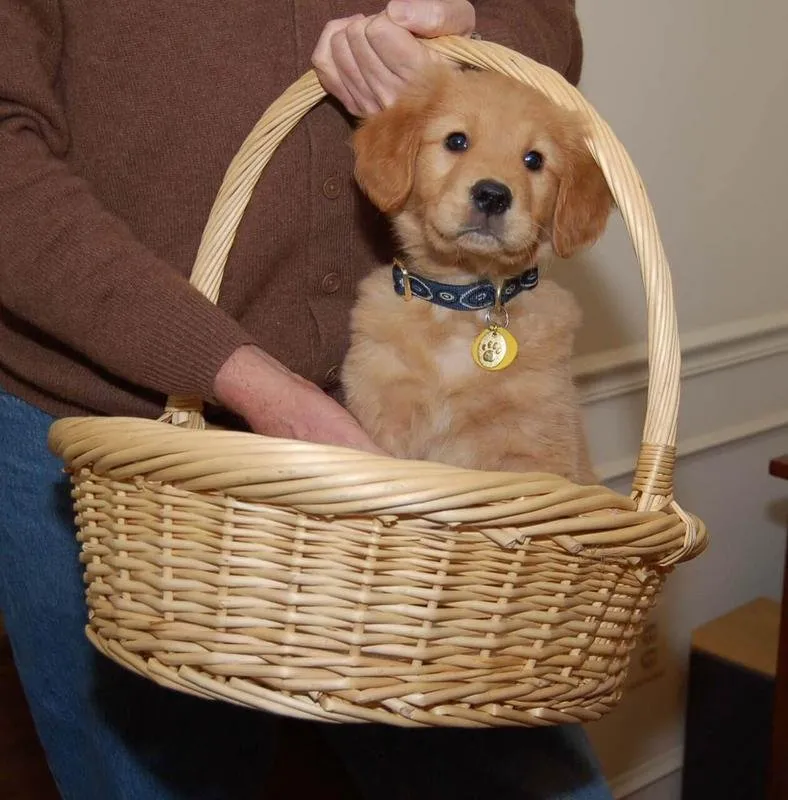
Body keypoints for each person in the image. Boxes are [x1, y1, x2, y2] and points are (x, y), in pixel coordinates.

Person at [0, 1, 612, 797]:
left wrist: (468, 28)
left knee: (511, 758)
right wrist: (238, 373)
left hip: (372, 416)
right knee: (159, 775)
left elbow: (542, 23)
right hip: (102, 431)